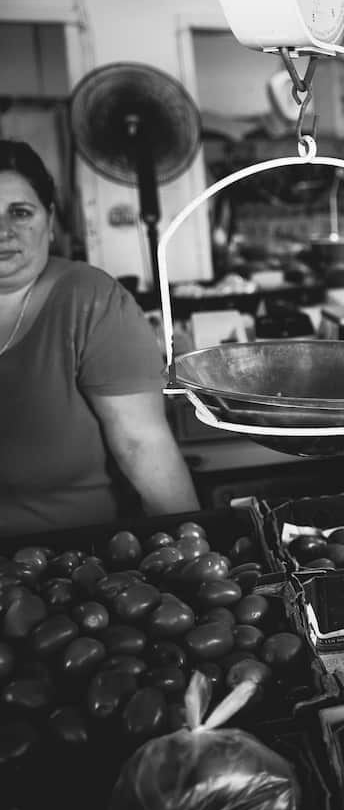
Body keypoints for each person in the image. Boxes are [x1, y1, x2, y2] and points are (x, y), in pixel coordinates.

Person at [0, 140, 199, 537]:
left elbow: (142, 445)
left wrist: (196, 546)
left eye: (20, 213)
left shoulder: (89, 301)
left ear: (50, 220)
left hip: (69, 565)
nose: (3, 231)